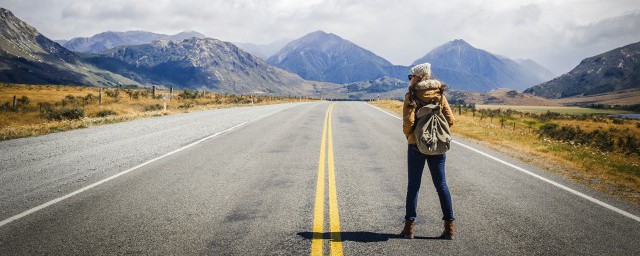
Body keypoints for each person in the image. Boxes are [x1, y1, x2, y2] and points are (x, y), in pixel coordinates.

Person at [400, 63, 456, 240]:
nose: (409, 80)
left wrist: (410, 135)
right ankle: (449, 228)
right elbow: (451, 120)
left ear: (417, 77)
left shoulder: (412, 95)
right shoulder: (439, 94)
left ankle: (409, 228)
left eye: (411, 77)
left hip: (416, 144)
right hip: (437, 145)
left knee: (413, 185)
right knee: (441, 185)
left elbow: (408, 122)